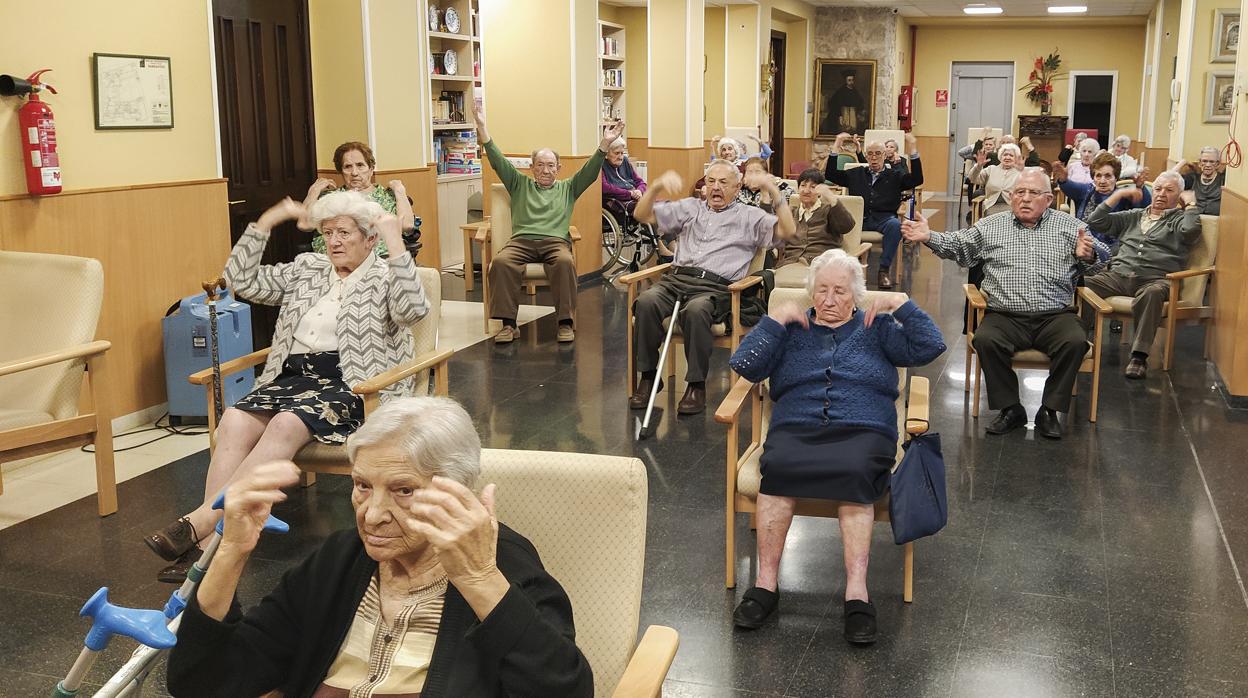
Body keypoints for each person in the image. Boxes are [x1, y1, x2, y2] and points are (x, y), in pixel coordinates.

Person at [165, 397, 593, 697]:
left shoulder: (502, 566)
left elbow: (564, 689)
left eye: (403, 490)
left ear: (456, 490)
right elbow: (203, 683)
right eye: (362, 486)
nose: (372, 515)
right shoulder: (341, 560)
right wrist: (233, 552)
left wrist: (479, 581)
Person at [143, 192, 430, 582]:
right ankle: (214, 538)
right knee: (234, 421)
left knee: (285, 424)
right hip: (290, 377)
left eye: (345, 232)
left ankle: (200, 529)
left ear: (370, 239)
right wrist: (268, 219)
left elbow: (413, 310)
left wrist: (395, 240)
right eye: (328, 232)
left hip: (352, 383)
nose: (335, 241)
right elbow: (241, 282)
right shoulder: (308, 268)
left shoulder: (386, 275)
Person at [727, 249, 945, 641]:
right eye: (822, 290)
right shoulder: (791, 329)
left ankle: (857, 594)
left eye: (840, 292)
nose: (829, 300)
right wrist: (773, 322)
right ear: (811, 292)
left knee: (856, 469)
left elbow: (930, 346)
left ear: (856, 294)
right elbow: (746, 365)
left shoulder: (876, 326)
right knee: (777, 468)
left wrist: (903, 305)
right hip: (797, 427)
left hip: (864, 430)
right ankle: (764, 585)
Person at [902, 168, 1109, 440]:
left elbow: (1104, 256)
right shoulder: (991, 225)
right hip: (1005, 314)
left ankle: (1049, 410)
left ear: (1048, 199)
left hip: (1055, 315)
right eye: (1019, 192)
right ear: (1010, 197)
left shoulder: (1069, 226)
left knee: (1074, 341)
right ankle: (1012, 408)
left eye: (1033, 193)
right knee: (986, 340)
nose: (1024, 198)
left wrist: (1091, 253)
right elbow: (958, 245)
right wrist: (929, 236)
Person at [631, 162, 796, 414]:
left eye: (723, 183)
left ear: (737, 187)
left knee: (697, 310)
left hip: (716, 286)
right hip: (677, 278)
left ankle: (696, 385)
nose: (715, 188)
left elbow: (788, 231)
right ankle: (649, 376)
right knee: (645, 302)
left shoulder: (749, 215)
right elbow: (641, 215)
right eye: (711, 182)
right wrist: (655, 187)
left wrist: (773, 192)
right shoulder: (690, 208)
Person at [472, 104, 624, 344]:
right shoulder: (518, 183)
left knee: (565, 262)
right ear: (531, 168)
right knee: (500, 262)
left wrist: (605, 144)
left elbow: (590, 171)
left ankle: (565, 322)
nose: (545, 170)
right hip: (521, 242)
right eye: (540, 165)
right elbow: (497, 160)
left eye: (551, 165)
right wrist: (482, 127)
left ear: (558, 168)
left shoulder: (568, 188)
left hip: (555, 243)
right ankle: (509, 325)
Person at [1083, 172, 1202, 379]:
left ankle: (1139, 357)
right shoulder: (1134, 215)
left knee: (1153, 293)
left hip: (1155, 279)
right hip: (1117, 276)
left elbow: (1190, 231)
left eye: (1169, 190)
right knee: (1082, 285)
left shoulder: (1179, 219)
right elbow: (1095, 220)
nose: (1161, 194)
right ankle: (1078, 342)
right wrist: (1118, 195)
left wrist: (1191, 205)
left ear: (1179, 195)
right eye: (1157, 189)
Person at [824, 132, 924, 289]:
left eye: (878, 153)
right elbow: (830, 174)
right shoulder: (856, 173)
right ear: (865, 156)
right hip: (858, 219)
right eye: (870, 154)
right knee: (834, 222)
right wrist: (837, 144)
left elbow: (917, 179)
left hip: (884, 219)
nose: (874, 157)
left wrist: (913, 149)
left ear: (884, 155)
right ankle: (843, 269)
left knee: (895, 226)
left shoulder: (895, 175)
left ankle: (883, 271)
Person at [300, 141, 419, 258]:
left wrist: (400, 191)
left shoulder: (387, 196)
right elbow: (305, 224)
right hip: (334, 262)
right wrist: (313, 192)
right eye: (347, 167)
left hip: (378, 261)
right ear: (341, 171)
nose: (354, 172)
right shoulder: (330, 197)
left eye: (360, 165)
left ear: (371, 169)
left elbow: (407, 226)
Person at [1054, 152, 1151, 252]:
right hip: (1086, 246)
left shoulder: (1124, 196)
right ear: (1093, 177)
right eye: (1098, 176)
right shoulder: (1085, 192)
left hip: (1116, 250)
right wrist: (1063, 180)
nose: (1102, 181)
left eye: (1108, 176)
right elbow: (1069, 186)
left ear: (1116, 178)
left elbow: (1144, 208)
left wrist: (1140, 187)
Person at [774, 169, 856, 279]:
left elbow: (847, 226)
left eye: (813, 187)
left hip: (823, 265)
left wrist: (831, 198)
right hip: (791, 264)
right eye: (803, 185)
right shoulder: (790, 212)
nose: (806, 191)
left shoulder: (829, 210)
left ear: (820, 191)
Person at [969, 143, 1025, 217]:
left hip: (1012, 207)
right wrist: (978, 166)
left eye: (1011, 155)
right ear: (1000, 157)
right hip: (991, 206)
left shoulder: (1020, 172)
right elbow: (973, 179)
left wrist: (1023, 171)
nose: (1007, 157)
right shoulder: (991, 169)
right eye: (1005, 155)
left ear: (1016, 158)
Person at [1178, 147, 1225, 215]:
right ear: (1200, 163)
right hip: (1192, 218)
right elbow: (1167, 180)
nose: (1208, 165)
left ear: (1217, 164)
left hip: (1215, 220)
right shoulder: (1193, 178)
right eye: (1204, 161)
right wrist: (1183, 162)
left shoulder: (1223, 179)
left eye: (1212, 162)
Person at [601, 137, 646, 207]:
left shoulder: (625, 160)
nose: (620, 157)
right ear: (606, 154)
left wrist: (640, 191)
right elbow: (605, 188)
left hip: (634, 196)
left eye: (622, 153)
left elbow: (640, 181)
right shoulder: (601, 165)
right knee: (648, 208)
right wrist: (629, 193)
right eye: (616, 153)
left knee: (661, 205)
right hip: (619, 201)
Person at [823, 70, 867, 135]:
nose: (851, 82)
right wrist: (840, 115)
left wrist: (860, 111)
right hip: (844, 113)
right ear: (846, 81)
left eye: (852, 80)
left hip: (852, 113)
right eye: (849, 80)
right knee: (844, 129)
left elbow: (860, 102)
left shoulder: (855, 91)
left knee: (853, 130)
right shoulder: (841, 91)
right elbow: (834, 103)